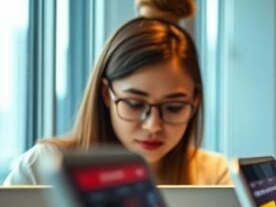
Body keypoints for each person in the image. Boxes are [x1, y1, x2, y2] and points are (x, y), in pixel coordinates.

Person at [4, 17, 229, 186]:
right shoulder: (42, 167)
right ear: (105, 94)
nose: (153, 125)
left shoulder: (214, 174)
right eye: (134, 103)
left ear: (195, 100)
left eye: (173, 107)